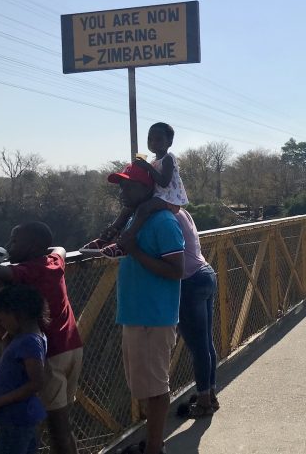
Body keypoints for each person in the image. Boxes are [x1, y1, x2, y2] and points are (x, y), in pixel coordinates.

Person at [0, 222, 82, 454]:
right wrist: (41, 249)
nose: (9, 245)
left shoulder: (28, 271)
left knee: (58, 427)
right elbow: (60, 249)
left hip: (49, 356)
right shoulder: (54, 263)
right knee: (63, 422)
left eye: (15, 241)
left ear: (32, 246)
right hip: (72, 345)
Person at [108, 162, 185, 454]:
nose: (123, 191)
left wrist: (135, 251)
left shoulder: (163, 222)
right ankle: (151, 443)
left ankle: (154, 447)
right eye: (121, 186)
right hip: (137, 314)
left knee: (155, 387)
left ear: (146, 187)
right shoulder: (135, 218)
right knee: (144, 385)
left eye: (129, 185)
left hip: (153, 317)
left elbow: (177, 270)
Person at [81, 122, 189, 258]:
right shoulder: (154, 161)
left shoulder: (168, 159)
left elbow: (164, 182)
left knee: (144, 208)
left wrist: (148, 167)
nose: (153, 143)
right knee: (128, 209)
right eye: (150, 139)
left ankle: (124, 242)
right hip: (159, 196)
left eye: (158, 139)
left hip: (170, 199)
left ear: (169, 142)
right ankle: (105, 238)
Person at [0, 285, 47, 454]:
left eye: (2, 315)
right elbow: (15, 366)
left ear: (19, 314)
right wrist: (7, 342)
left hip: (16, 421)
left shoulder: (30, 342)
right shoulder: (27, 337)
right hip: (20, 418)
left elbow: (36, 383)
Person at [173, 209, 219, 418]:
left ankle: (204, 403)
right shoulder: (182, 211)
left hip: (189, 280)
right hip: (205, 272)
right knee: (206, 342)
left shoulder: (165, 215)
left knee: (198, 346)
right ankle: (210, 394)